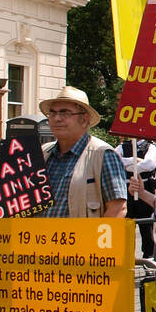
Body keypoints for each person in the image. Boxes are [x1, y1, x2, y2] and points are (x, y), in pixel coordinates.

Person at [38, 87, 127, 219]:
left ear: (84, 119)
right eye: (52, 113)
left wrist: (93, 239)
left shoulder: (103, 154)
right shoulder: (43, 153)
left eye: (65, 113)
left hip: (84, 239)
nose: (57, 118)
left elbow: (118, 208)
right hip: (39, 238)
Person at [116, 137, 156, 259]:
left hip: (145, 190)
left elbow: (149, 164)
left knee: (146, 228)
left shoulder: (151, 146)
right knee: (126, 228)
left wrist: (129, 166)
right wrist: (136, 160)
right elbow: (115, 160)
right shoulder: (123, 146)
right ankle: (127, 260)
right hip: (126, 189)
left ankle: (149, 260)